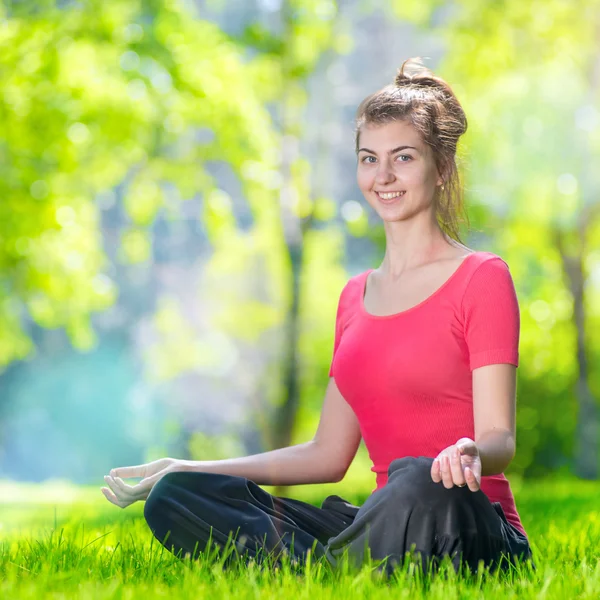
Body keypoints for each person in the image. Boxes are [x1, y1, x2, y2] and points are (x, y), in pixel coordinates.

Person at [101, 57, 534, 575]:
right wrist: (188, 464)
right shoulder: (354, 297)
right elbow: (329, 454)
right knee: (178, 495)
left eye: (403, 158)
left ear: (442, 170)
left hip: (468, 522)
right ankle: (338, 563)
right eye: (369, 159)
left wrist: (469, 454)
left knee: (418, 480)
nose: (384, 176)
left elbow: (499, 441)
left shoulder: (482, 277)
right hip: (379, 523)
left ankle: (317, 565)